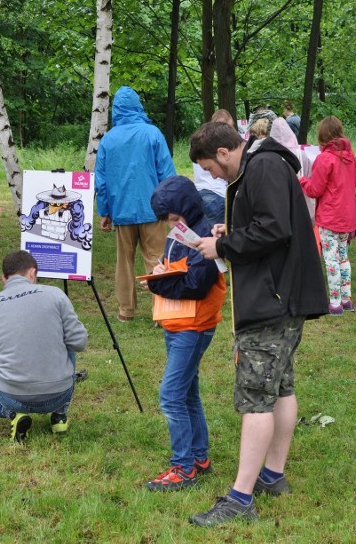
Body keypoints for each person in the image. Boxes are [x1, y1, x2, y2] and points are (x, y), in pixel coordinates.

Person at [188, 122, 328, 526]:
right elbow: (266, 224)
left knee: (255, 397)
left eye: (210, 168)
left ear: (225, 153)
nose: (212, 177)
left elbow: (274, 229)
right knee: (281, 385)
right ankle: (272, 475)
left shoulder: (262, 166)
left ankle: (240, 497)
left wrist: (225, 244)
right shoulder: (261, 164)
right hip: (282, 295)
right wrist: (231, 230)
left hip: (272, 300)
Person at [142, 176, 227, 491]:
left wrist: (157, 282)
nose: (169, 225)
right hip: (177, 323)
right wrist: (159, 271)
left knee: (171, 396)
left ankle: (183, 468)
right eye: (166, 220)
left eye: (174, 218)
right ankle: (199, 457)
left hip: (194, 326)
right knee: (187, 392)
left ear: (188, 210)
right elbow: (173, 268)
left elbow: (196, 284)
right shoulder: (179, 233)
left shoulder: (204, 236)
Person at [0, 250, 88, 442]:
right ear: (33, 273)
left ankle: (13, 414)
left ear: (3, 278)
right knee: (68, 342)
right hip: (59, 393)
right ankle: (59, 415)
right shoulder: (56, 295)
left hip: (12, 395)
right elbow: (79, 342)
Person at [95, 86, 176, 322]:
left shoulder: (109, 139)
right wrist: (170, 206)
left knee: (124, 262)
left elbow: (102, 180)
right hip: (153, 209)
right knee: (157, 259)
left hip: (121, 211)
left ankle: (125, 311)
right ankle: (161, 311)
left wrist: (105, 212)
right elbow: (167, 173)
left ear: (116, 110)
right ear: (138, 106)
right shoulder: (152, 134)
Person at [299, 116, 356, 315]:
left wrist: (301, 180)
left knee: (331, 260)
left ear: (322, 136)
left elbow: (314, 190)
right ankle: (346, 299)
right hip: (347, 217)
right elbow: (355, 181)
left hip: (330, 217)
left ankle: (334, 302)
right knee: (343, 257)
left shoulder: (324, 159)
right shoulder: (351, 157)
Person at [193, 109, 232, 226]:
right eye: (229, 127)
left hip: (200, 192)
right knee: (218, 236)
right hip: (217, 193)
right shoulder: (221, 144)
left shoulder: (200, 142)